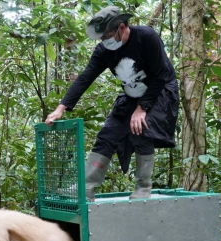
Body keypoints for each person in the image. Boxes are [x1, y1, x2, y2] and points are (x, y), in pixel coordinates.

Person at [45, 6, 179, 201]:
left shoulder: (146, 37)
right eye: (101, 38)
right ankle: (86, 188)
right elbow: (85, 77)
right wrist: (61, 107)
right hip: (132, 95)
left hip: (159, 91)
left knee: (141, 129)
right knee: (107, 134)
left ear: (122, 27)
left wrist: (142, 109)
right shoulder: (104, 51)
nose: (104, 41)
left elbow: (161, 74)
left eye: (107, 35)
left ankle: (143, 187)